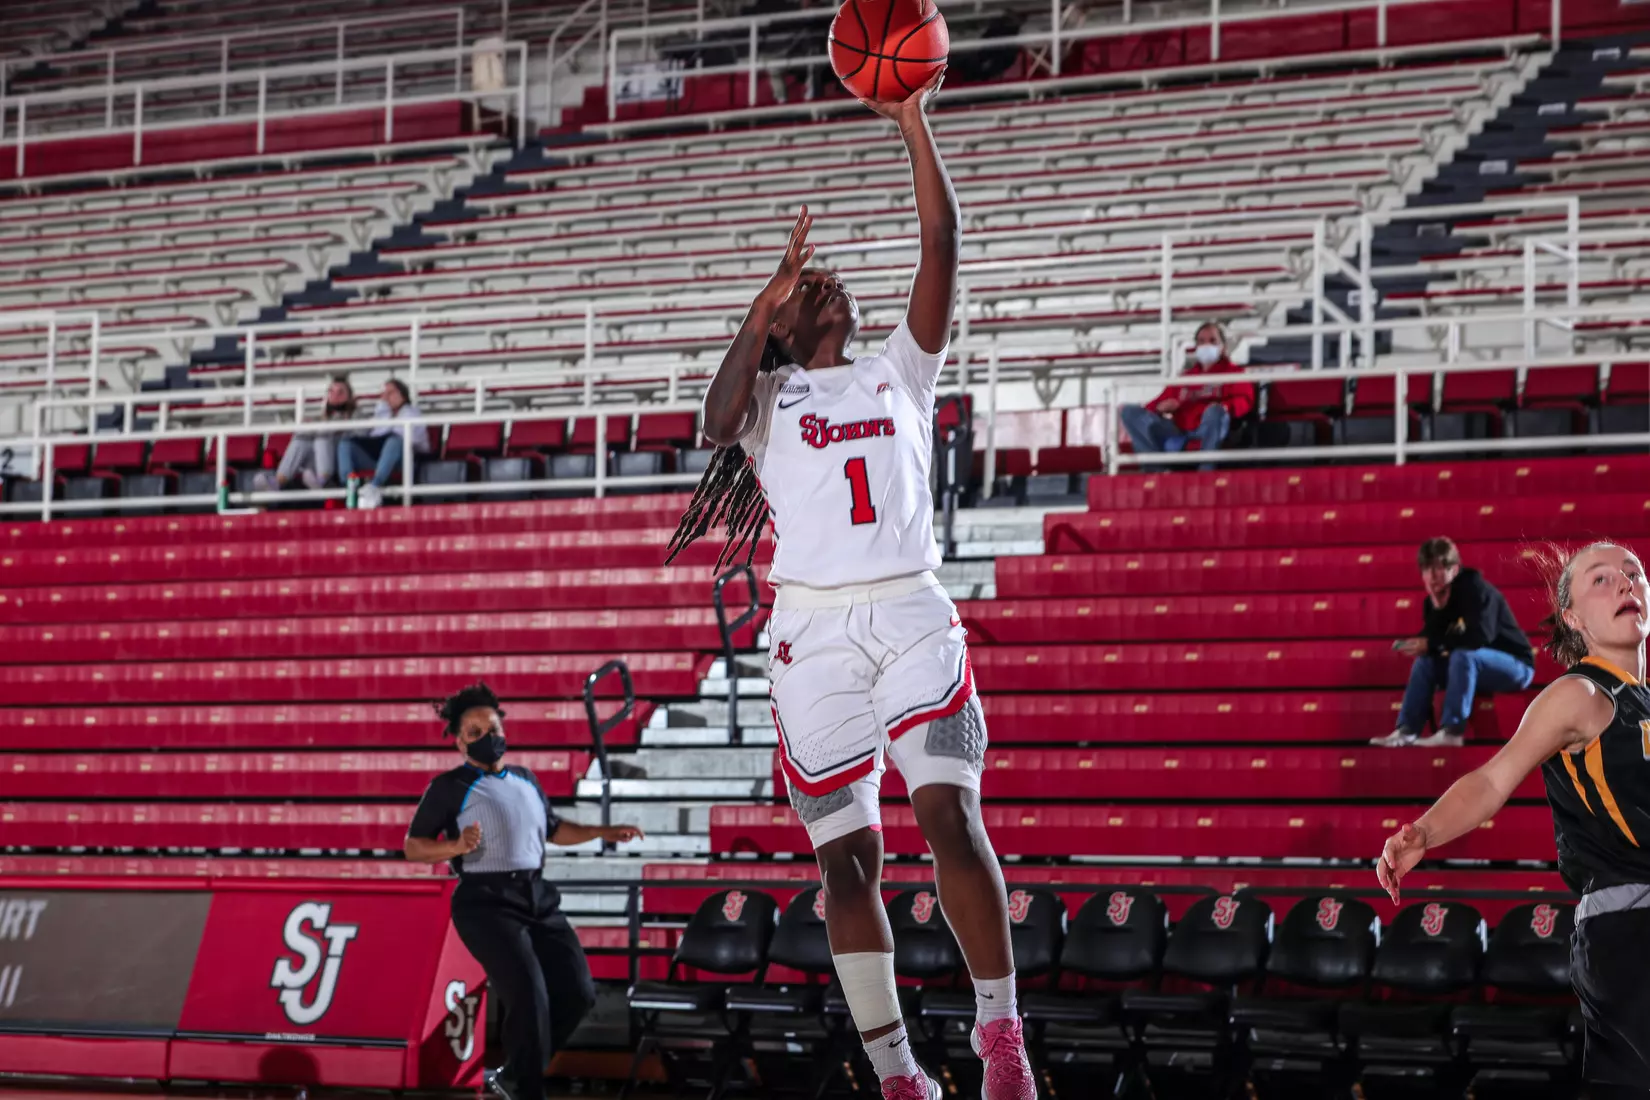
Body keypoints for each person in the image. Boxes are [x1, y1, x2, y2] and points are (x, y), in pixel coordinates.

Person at [662, 68, 1035, 1100]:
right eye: (808, 287)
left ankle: (1002, 1035)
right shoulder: (769, 395)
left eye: (825, 279)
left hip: (910, 604)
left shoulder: (899, 370)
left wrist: (915, 124)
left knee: (952, 817)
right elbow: (712, 414)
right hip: (811, 633)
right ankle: (899, 1072)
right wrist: (761, 302)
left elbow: (940, 247)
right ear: (784, 324)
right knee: (847, 864)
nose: (826, 283)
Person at [1377, 541, 1650, 1098]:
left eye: (1634, 572)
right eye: (1601, 579)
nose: (1625, 583)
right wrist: (1424, 831)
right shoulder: (1580, 693)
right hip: (1631, 932)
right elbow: (1493, 780)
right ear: (1572, 617)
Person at [405, 682, 644, 1100]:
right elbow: (413, 846)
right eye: (475, 733)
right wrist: (455, 847)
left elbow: (553, 829)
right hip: (486, 904)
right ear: (460, 743)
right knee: (529, 996)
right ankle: (528, 1090)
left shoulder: (525, 779)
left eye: (492, 728)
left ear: (504, 730)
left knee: (578, 992)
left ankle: (515, 1074)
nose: (487, 738)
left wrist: (603, 831)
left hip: (537, 896)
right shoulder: (450, 787)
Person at [1371, 537, 1536, 747]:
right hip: (1473, 667)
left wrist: (1432, 644)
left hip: (1516, 666)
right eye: (1427, 570)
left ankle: (1452, 730)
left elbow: (1478, 637)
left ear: (1455, 569)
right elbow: (1432, 640)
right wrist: (1438, 609)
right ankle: (1406, 730)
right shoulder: (1433, 601)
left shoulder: (1475, 589)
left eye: (1439, 568)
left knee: (1463, 655)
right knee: (1425, 663)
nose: (1432, 576)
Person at [1118, 321, 1254, 471]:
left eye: (1212, 341)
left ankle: (1206, 472)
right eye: (1201, 341)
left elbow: (1245, 400)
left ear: (1223, 347)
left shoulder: (1233, 373)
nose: (1206, 345)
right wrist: (1160, 408)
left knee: (1215, 412)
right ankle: (1154, 471)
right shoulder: (1186, 377)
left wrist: (1224, 407)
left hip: (1210, 427)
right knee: (1129, 412)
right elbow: (1152, 406)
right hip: (1179, 429)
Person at [254, 375, 358, 493]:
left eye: (341, 392)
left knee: (321, 433)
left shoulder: (356, 415)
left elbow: (361, 434)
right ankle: (278, 481)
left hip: (340, 457)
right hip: (316, 458)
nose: (335, 395)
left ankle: (323, 480)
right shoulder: (323, 417)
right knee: (301, 436)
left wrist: (341, 424)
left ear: (349, 397)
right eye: (331, 391)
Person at [337, 378, 430, 510]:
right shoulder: (382, 414)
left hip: (404, 462)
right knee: (346, 443)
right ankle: (348, 487)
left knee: (394, 440)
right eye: (384, 394)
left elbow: (415, 442)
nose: (385, 397)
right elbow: (373, 436)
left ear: (402, 395)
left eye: (390, 393)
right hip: (380, 459)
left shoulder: (412, 413)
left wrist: (385, 417)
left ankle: (374, 486)